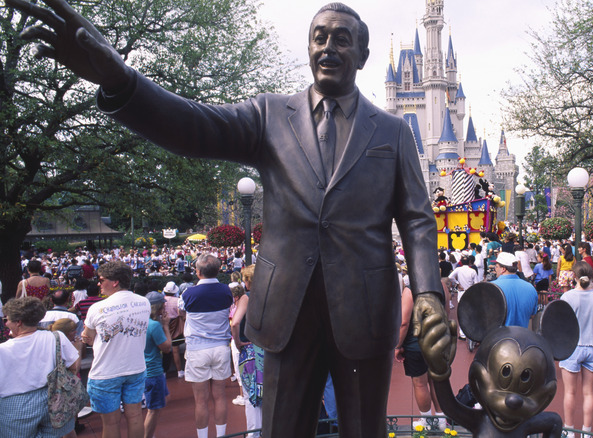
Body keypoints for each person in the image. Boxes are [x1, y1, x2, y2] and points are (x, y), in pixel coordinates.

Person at [8, 2, 453, 437]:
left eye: (342, 39)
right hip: (286, 314)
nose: (329, 48)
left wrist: (429, 295)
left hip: (364, 314)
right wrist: (122, 81)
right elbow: (195, 125)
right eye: (320, 38)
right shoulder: (270, 115)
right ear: (308, 47)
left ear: (364, 55)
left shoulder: (392, 131)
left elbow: (417, 219)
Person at [82, 260, 151, 438]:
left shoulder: (96, 308)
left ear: (115, 282)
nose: (99, 284)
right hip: (136, 368)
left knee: (111, 422)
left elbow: (88, 338)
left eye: (102, 279)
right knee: (135, 416)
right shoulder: (144, 302)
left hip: (106, 372)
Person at [0, 297, 80, 437]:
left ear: (18, 322)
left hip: (15, 405)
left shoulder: (3, 350)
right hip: (53, 397)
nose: (6, 323)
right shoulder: (56, 337)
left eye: (7, 320)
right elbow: (74, 366)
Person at [178, 254, 234, 438]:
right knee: (220, 396)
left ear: (198, 272)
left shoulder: (188, 294)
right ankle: (221, 435)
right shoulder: (227, 291)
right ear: (218, 270)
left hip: (197, 349)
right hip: (221, 348)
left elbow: (181, 312)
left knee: (200, 401)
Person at [558, 261, 593, 437]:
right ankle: (587, 432)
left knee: (569, 392)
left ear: (575, 276)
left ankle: (569, 431)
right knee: (589, 393)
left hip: (572, 347)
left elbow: (561, 324)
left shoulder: (567, 297)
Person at [396, 278, 443, 431]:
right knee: (435, 381)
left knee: (420, 383)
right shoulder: (441, 285)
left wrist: (398, 345)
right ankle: (442, 420)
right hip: (437, 342)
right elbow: (446, 314)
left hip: (415, 345)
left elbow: (404, 322)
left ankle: (427, 420)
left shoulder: (410, 290)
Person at [230, 264, 264, 438]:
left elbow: (235, 323)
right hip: (267, 350)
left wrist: (237, 342)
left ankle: (253, 434)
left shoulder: (246, 297)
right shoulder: (270, 295)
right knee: (266, 393)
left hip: (250, 350)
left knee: (252, 395)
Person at [142, 291, 172, 438]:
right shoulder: (154, 326)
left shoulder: (139, 322)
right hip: (153, 371)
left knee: (162, 400)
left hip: (144, 369)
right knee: (153, 410)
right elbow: (166, 347)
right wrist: (166, 326)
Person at [492, 252, 538, 328]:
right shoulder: (530, 288)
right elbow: (532, 315)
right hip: (521, 337)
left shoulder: (492, 287)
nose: (495, 269)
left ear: (503, 269)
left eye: (496, 266)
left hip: (498, 337)